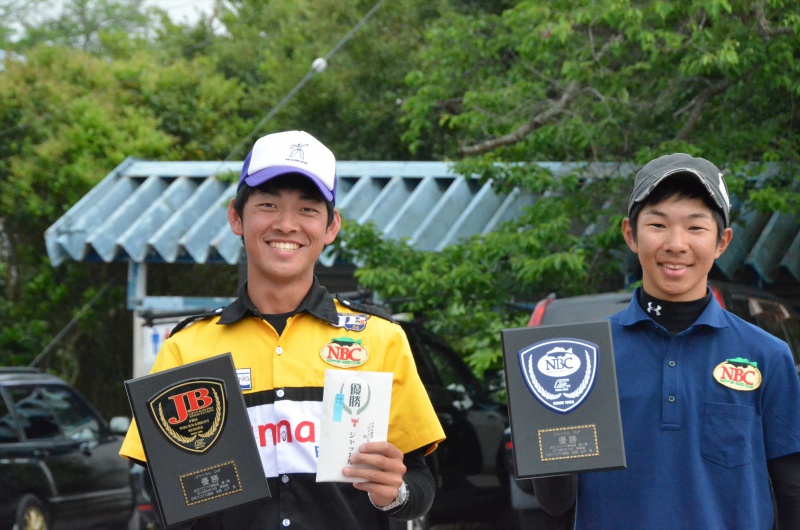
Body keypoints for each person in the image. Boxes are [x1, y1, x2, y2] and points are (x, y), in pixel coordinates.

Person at [120, 130, 446, 529]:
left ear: (331, 227)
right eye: (269, 205)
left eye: (308, 209)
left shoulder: (379, 339)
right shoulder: (187, 346)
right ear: (236, 217)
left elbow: (421, 483)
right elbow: (165, 493)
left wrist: (395, 493)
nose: (287, 224)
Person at [533, 153, 800, 529]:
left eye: (695, 228)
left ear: (723, 241)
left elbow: (792, 491)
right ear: (630, 234)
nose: (676, 244)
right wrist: (544, 425)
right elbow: (555, 503)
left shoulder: (767, 356)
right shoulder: (582, 358)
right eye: (658, 224)